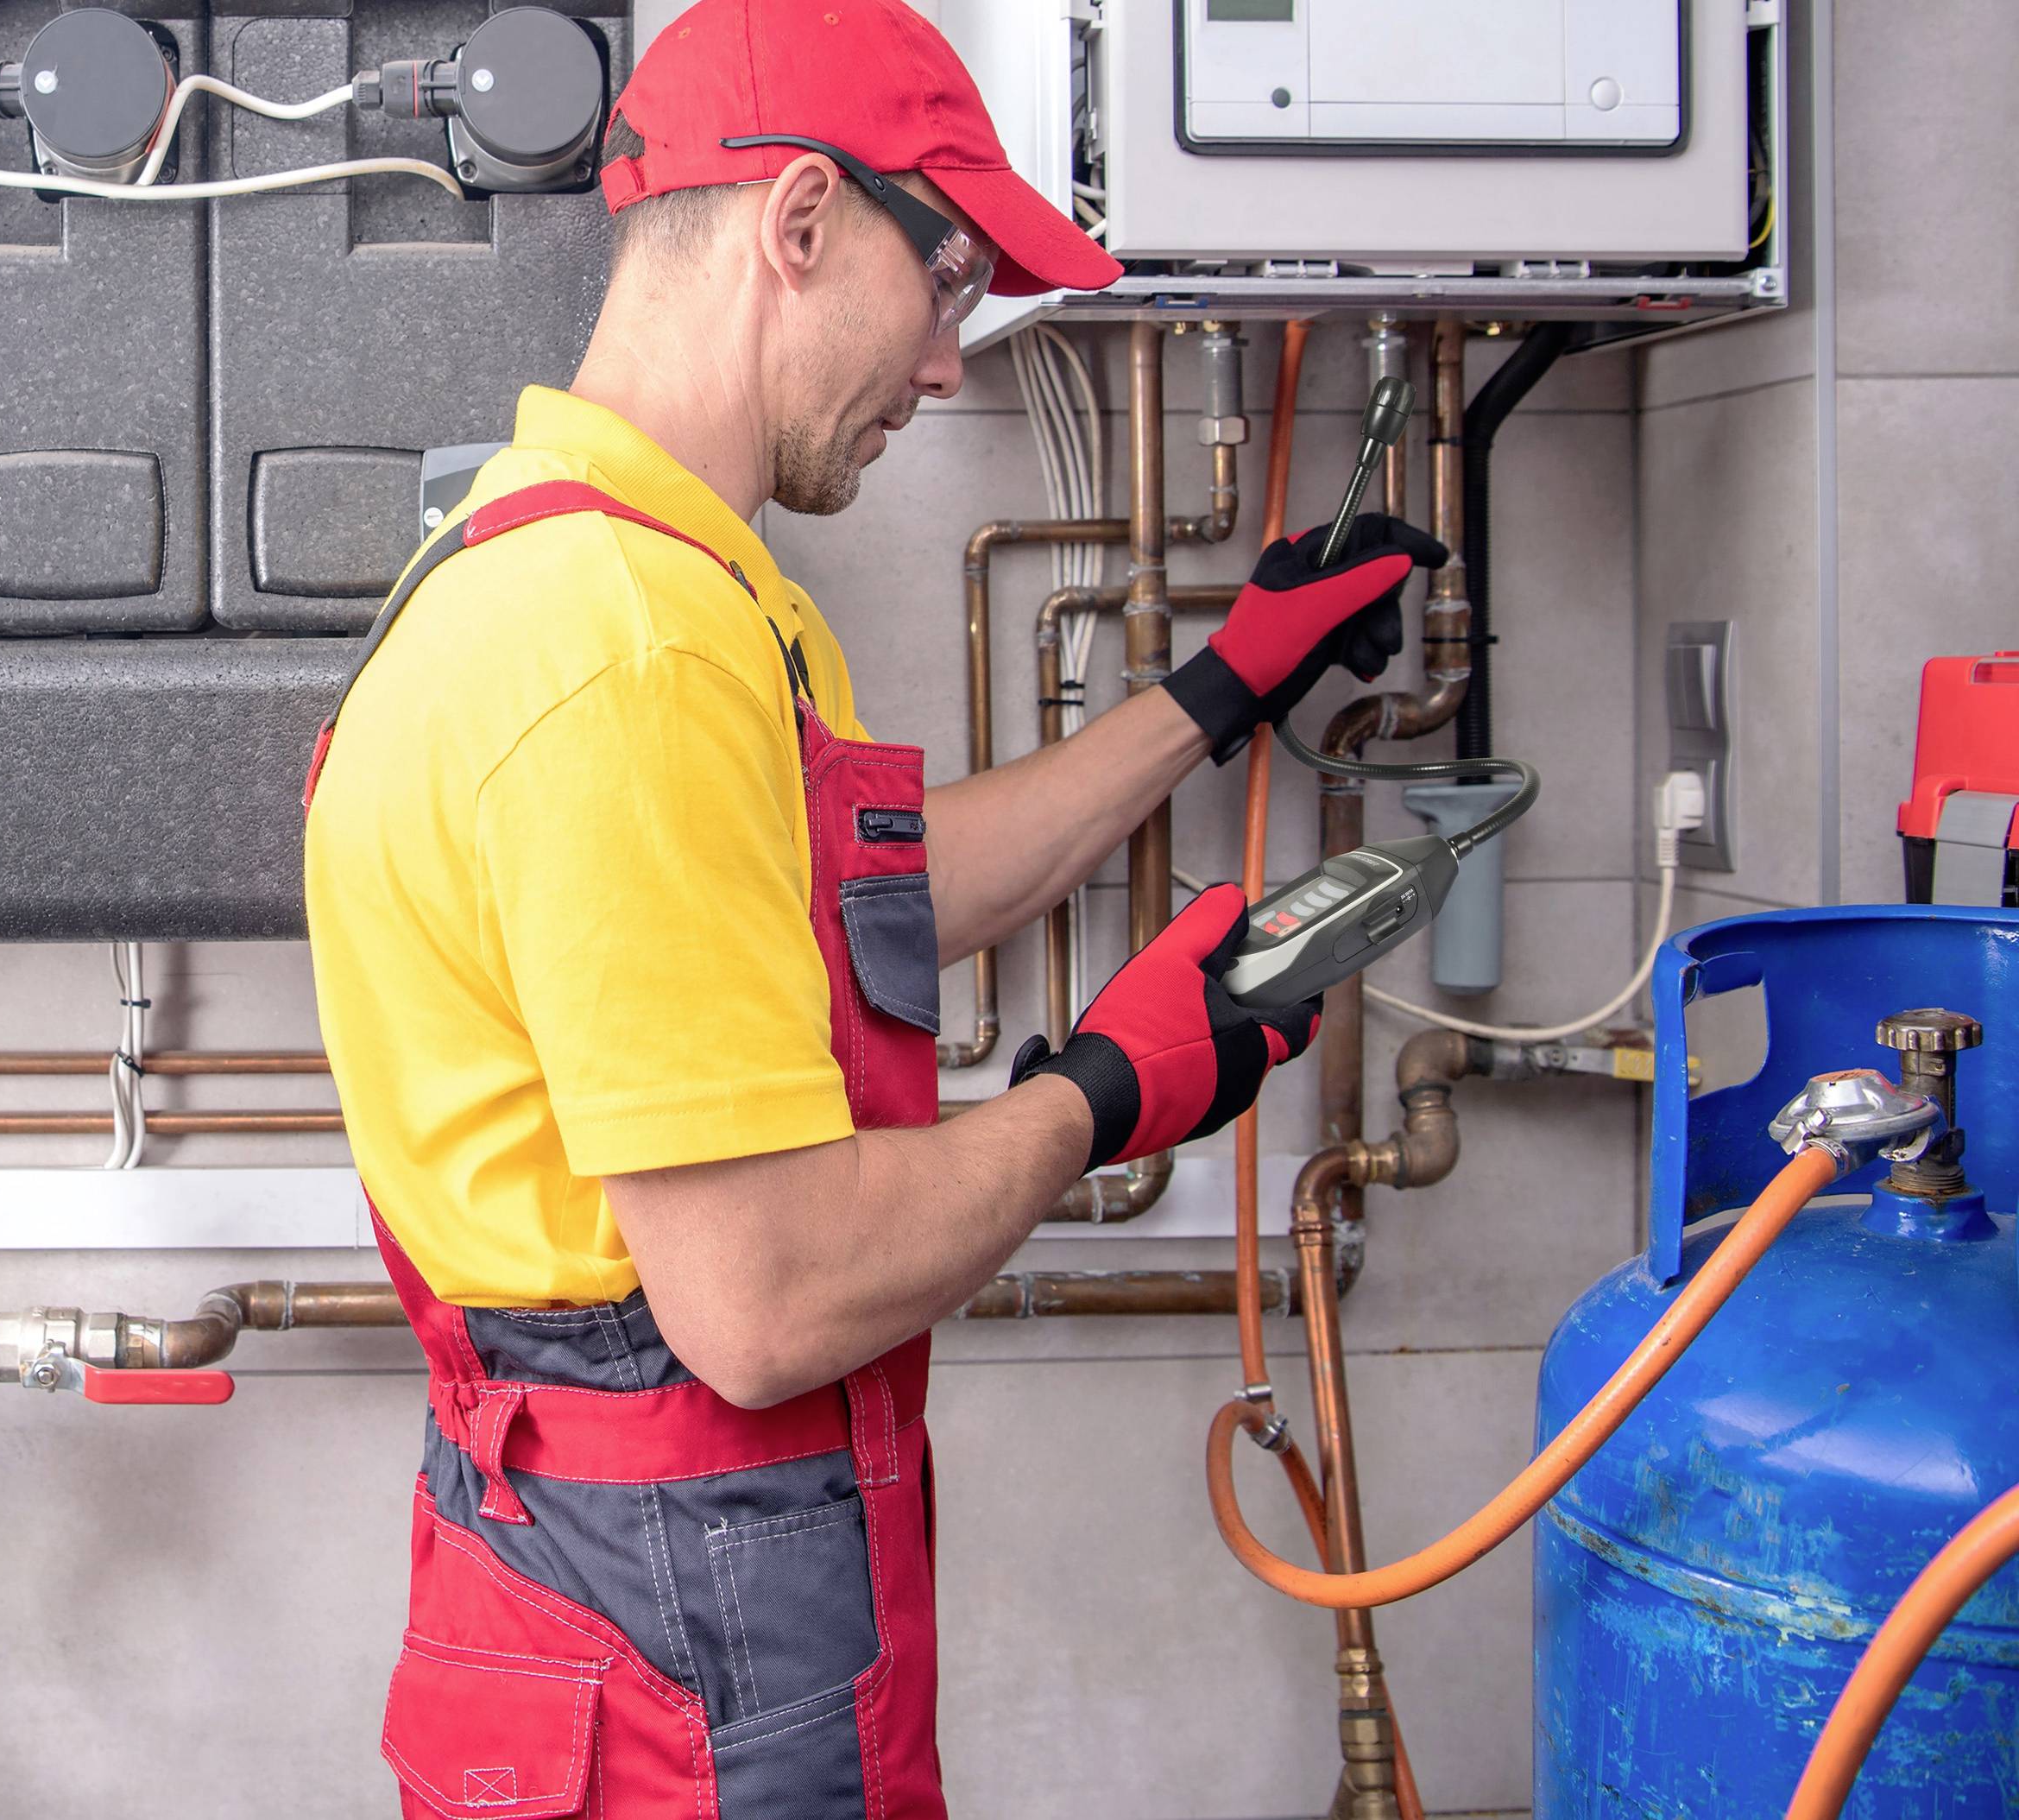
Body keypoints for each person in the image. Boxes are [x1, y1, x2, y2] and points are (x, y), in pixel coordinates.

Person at [302, 0, 1446, 1811]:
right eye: (948, 284)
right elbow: (762, 1299)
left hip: (602, 1569)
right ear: (803, 221)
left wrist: (1223, 687)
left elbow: (867, 915)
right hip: (678, 1611)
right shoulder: (626, 655)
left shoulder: (595, 569)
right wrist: (1107, 1091)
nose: (947, 365)